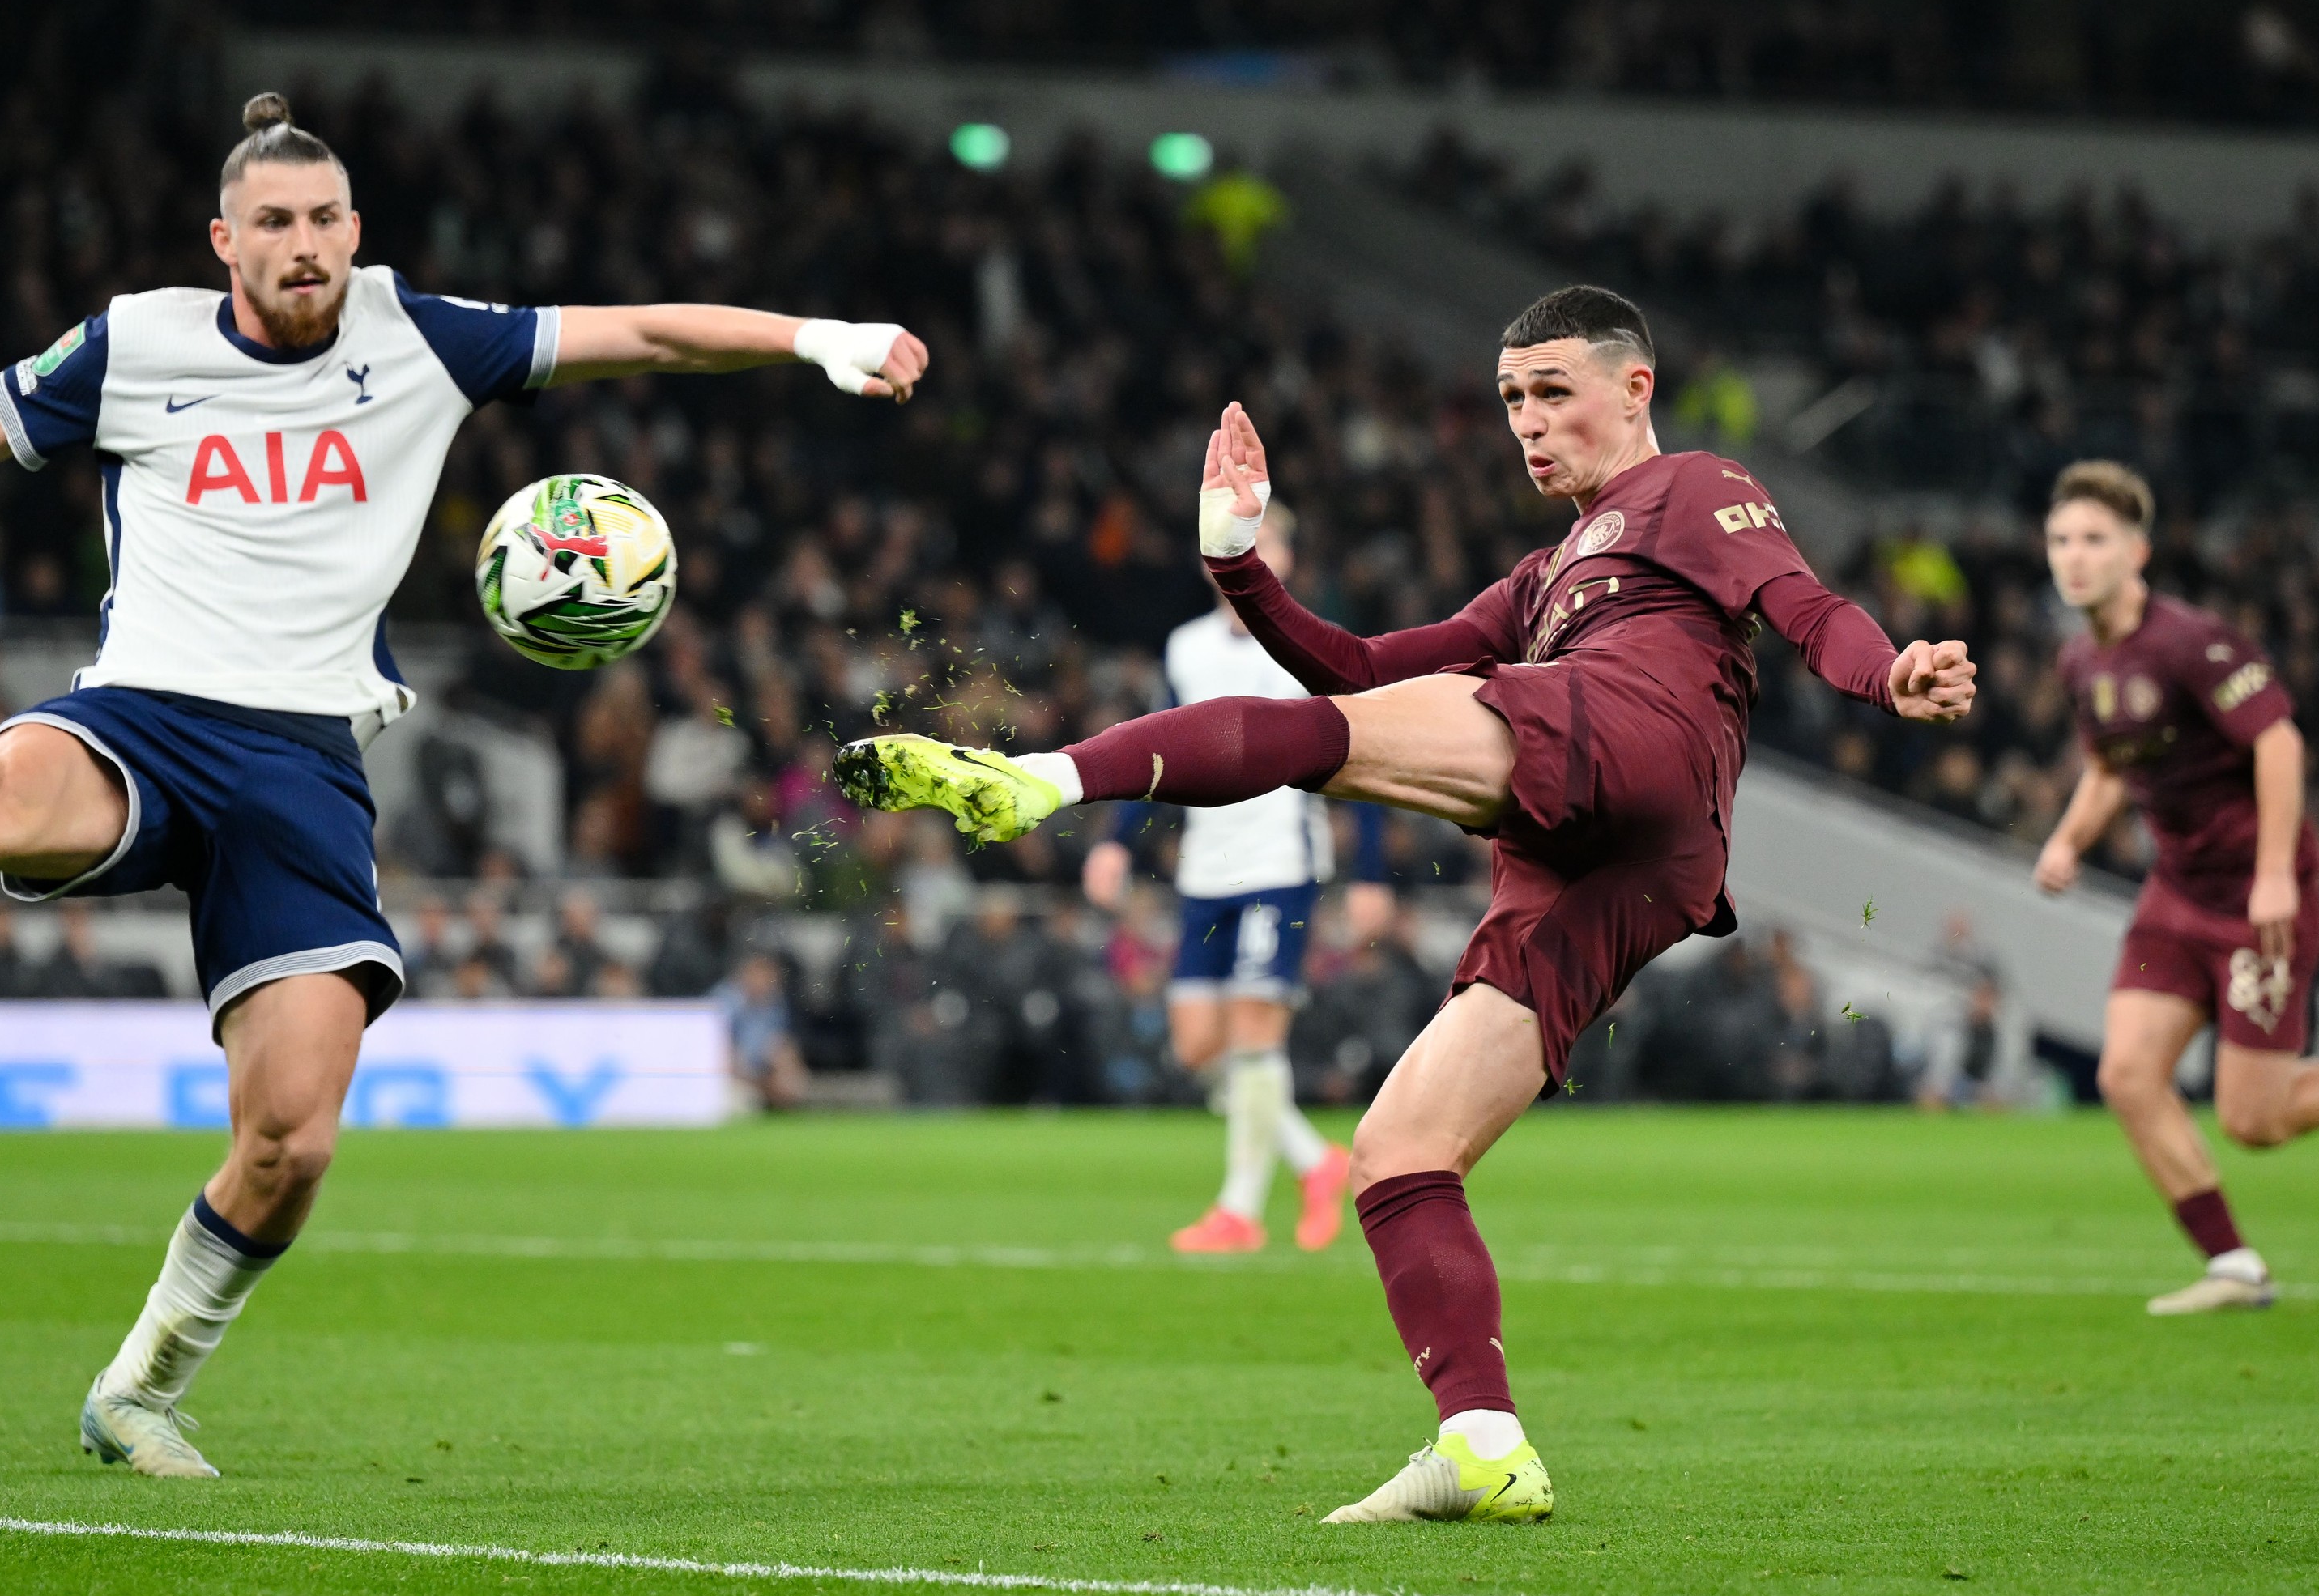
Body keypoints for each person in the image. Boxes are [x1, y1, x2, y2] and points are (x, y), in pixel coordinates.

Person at [0, 92, 927, 1480]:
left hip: (303, 760)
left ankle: (141, 1385)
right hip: (144, 712)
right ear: (224, 240)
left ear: (355, 230)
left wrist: (821, 340)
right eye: (273, 223)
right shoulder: (134, 342)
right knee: (3, 782)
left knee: (291, 1140)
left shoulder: (420, 336)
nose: (304, 246)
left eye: (324, 220)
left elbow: (639, 330)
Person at [833, 286, 1974, 1525]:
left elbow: (1801, 604)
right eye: (1508, 403)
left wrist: (1888, 671)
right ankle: (1481, 1443)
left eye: (1552, 394)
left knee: (1308, 742)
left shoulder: (1692, 486)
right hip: (1613, 866)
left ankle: (1043, 780)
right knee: (1398, 1153)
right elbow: (1367, 667)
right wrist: (1236, 568)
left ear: (1632, 388)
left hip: (1635, 737)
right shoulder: (1538, 578)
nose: (1527, 425)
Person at [2031, 461, 2319, 1314]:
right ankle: (2234, 1264)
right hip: (2175, 893)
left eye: (2095, 539)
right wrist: (2068, 840)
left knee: (2256, 1121)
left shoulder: (2194, 644)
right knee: (2127, 1074)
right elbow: (2114, 763)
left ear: (2138, 551)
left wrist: (2271, 879)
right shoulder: (2081, 657)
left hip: (2256, 899)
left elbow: (2281, 745)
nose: (2074, 556)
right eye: (2061, 539)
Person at [1083, 504, 1349, 1254]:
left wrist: (1367, 870)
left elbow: (1361, 739)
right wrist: (1114, 842)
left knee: (1256, 1031)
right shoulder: (1186, 648)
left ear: (1288, 560)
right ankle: (1316, 1160)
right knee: (1198, 1044)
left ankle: (1237, 1210)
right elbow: (1157, 751)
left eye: (1266, 542)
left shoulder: (1307, 646)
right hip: (1207, 867)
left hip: (1280, 864)